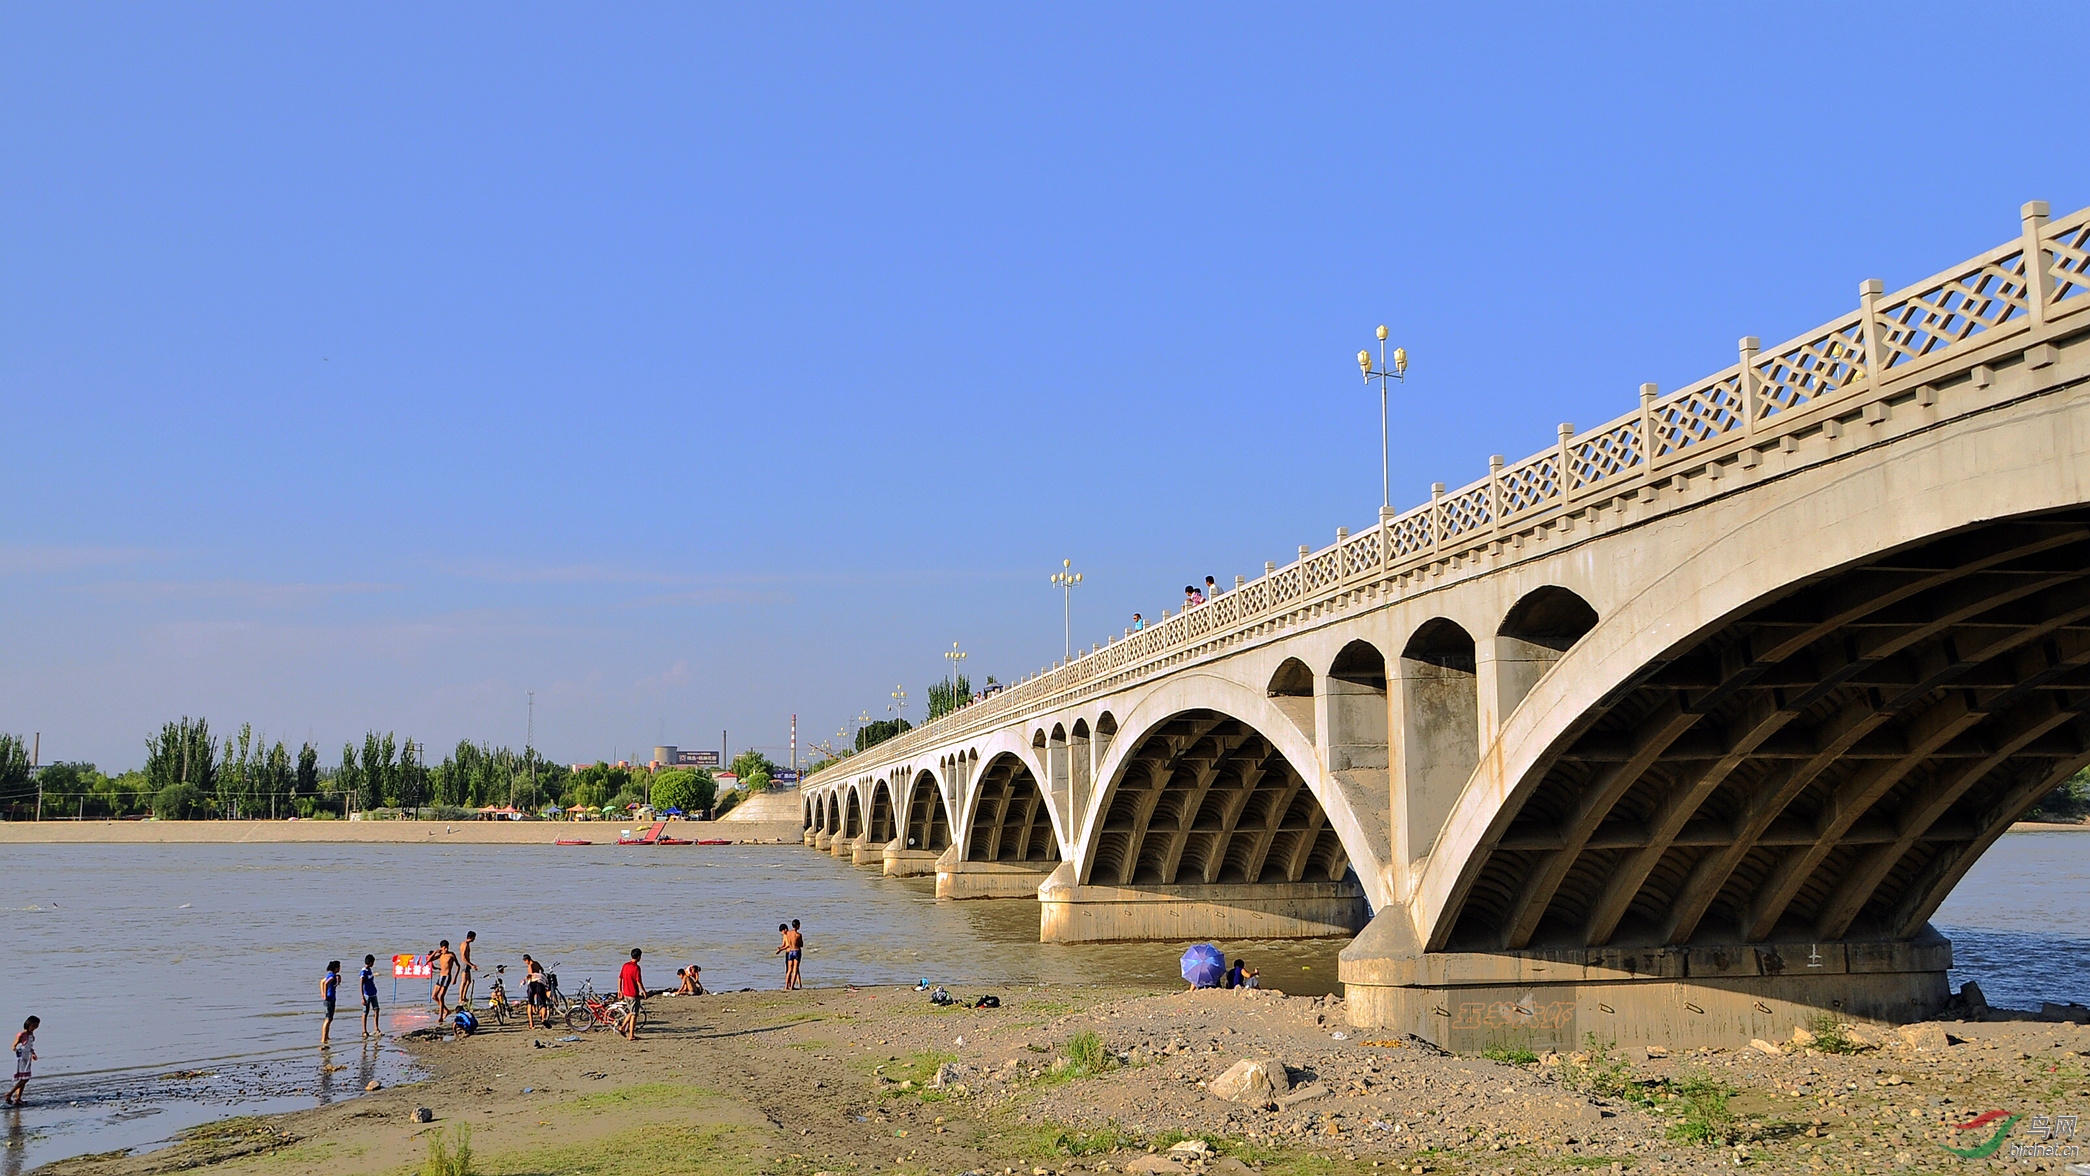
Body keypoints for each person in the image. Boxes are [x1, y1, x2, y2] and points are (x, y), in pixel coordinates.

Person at [4, 1017, 37, 1107]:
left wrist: (33, 1053)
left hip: (28, 1057)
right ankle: (9, 1094)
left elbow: (30, 1046)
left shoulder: (31, 1034)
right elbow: (14, 1046)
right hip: (22, 1058)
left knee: (24, 1079)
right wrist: (18, 1051)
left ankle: (18, 1098)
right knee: (24, 1078)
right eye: (33, 1026)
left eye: (36, 1026)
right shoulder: (21, 1034)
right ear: (28, 1024)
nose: (35, 1028)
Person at [617, 949, 645, 1041]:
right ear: (639, 957)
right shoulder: (636, 968)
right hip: (633, 994)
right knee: (634, 1014)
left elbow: (620, 978)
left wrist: (620, 990)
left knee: (631, 1011)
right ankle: (631, 1035)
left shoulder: (625, 965)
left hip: (626, 993)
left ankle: (622, 1027)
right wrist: (644, 991)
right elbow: (638, 981)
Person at [523, 954, 550, 1029]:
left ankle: (531, 1024)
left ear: (526, 960)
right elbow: (542, 970)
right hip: (540, 983)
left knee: (530, 1004)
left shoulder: (529, 966)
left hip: (532, 984)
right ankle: (543, 1019)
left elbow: (530, 975)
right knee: (543, 1004)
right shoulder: (536, 963)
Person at [359, 955, 381, 1038]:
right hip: (367, 994)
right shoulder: (363, 972)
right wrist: (362, 997)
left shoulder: (369, 970)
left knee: (376, 1009)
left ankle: (376, 1028)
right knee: (365, 1012)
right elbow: (361, 984)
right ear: (370, 962)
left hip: (373, 993)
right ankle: (364, 1031)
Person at [432, 940, 456, 1016]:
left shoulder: (451, 955)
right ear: (441, 948)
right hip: (441, 976)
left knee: (441, 996)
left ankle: (441, 1016)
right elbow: (429, 960)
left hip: (447, 976)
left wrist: (455, 977)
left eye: (447, 947)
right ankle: (446, 1010)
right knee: (434, 996)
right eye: (444, 948)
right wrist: (435, 952)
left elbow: (458, 965)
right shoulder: (440, 955)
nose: (446, 949)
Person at [320, 961, 341, 1046]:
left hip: (330, 998)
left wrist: (322, 993)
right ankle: (323, 1038)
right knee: (328, 1019)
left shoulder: (331, 975)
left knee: (329, 1018)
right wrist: (324, 995)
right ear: (336, 968)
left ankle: (326, 1036)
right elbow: (325, 983)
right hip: (330, 999)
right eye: (339, 967)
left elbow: (322, 981)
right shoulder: (332, 976)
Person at [458, 931, 478, 1009]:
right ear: (471, 937)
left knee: (468, 981)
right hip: (465, 964)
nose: (474, 939)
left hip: (467, 964)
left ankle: (464, 997)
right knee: (463, 982)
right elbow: (463, 957)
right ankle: (460, 998)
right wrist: (471, 965)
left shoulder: (466, 944)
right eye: (474, 938)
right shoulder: (465, 945)